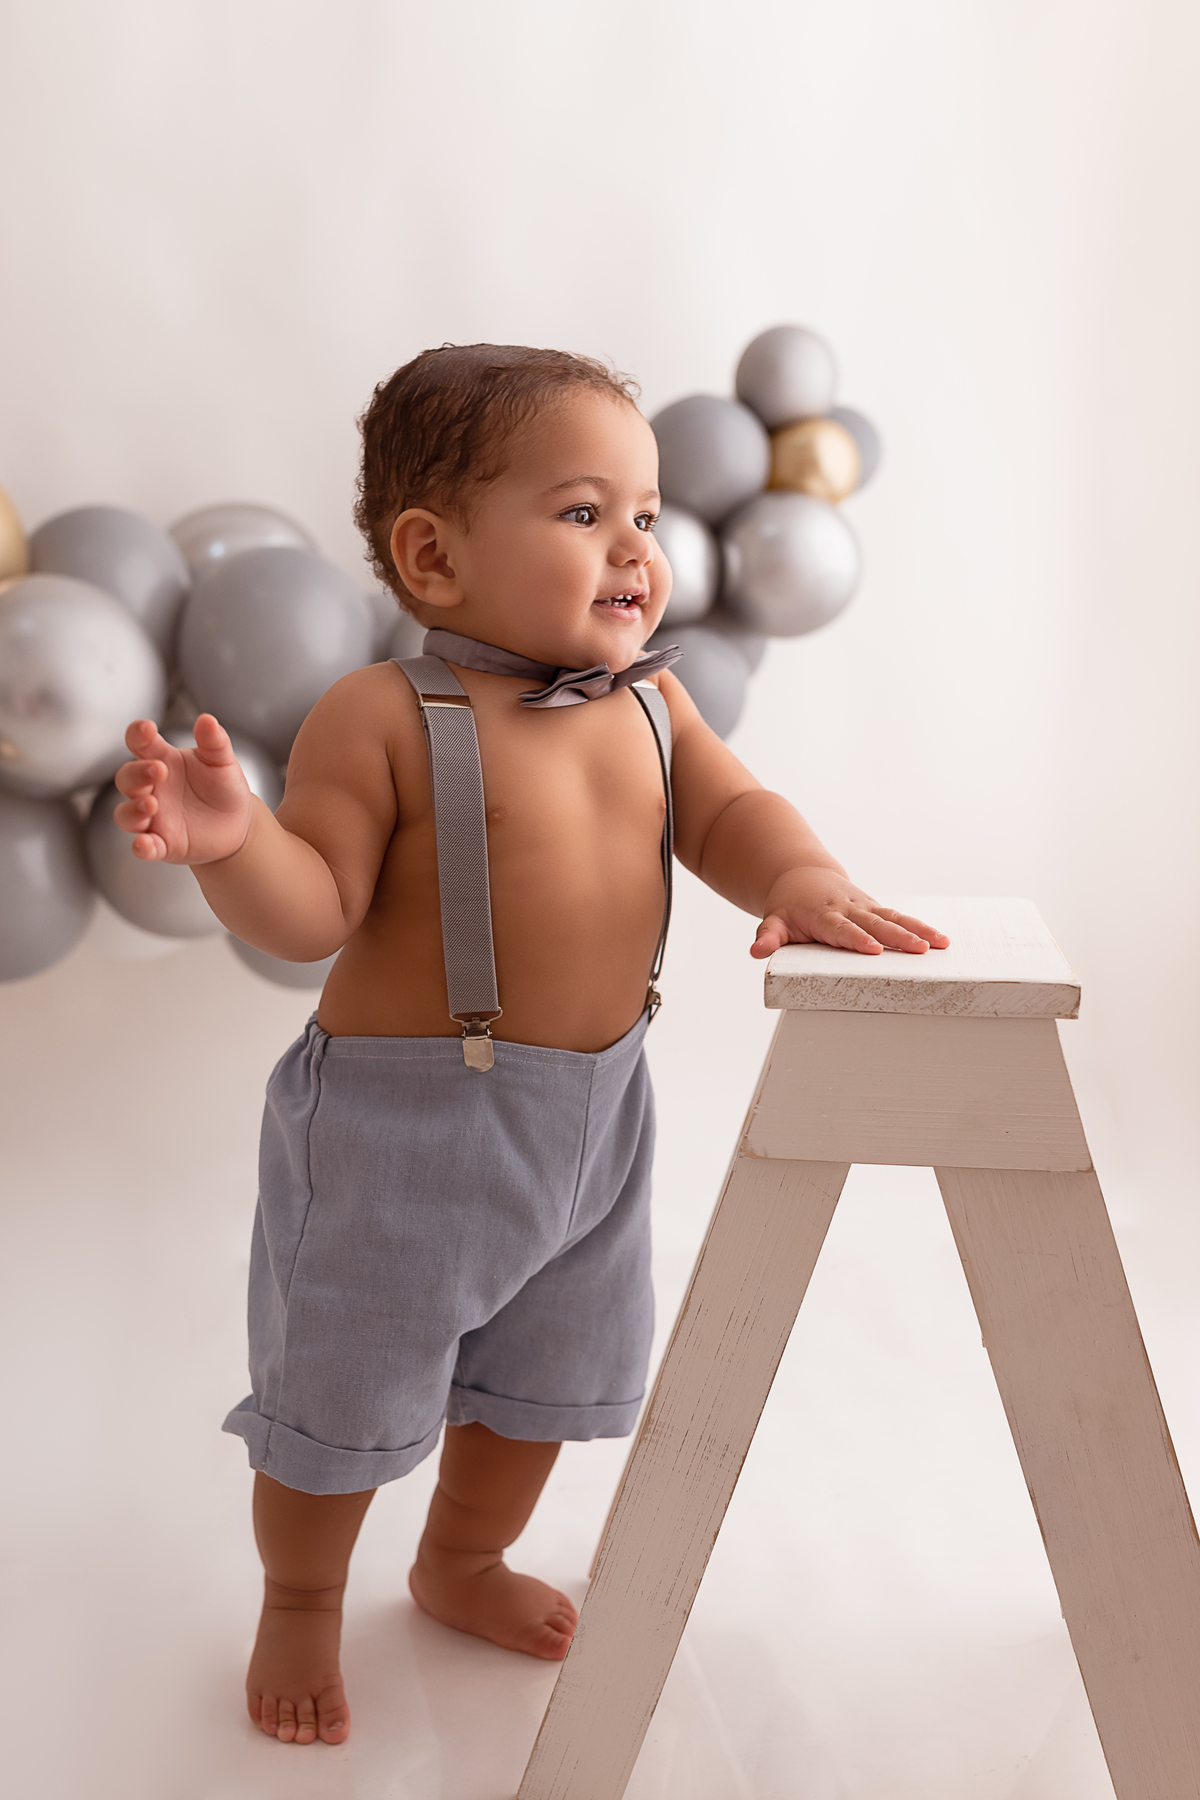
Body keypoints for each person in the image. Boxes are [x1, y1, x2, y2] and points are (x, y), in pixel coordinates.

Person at [115, 343, 948, 1748]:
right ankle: (303, 1599)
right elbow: (313, 911)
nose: (636, 547)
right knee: (341, 1390)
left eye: (645, 513)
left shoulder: (653, 703)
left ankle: (461, 1558)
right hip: (400, 1135)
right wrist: (233, 844)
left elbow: (732, 815)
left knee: (546, 1379)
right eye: (582, 512)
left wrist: (800, 876)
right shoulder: (383, 716)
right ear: (433, 557)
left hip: (596, 1121)